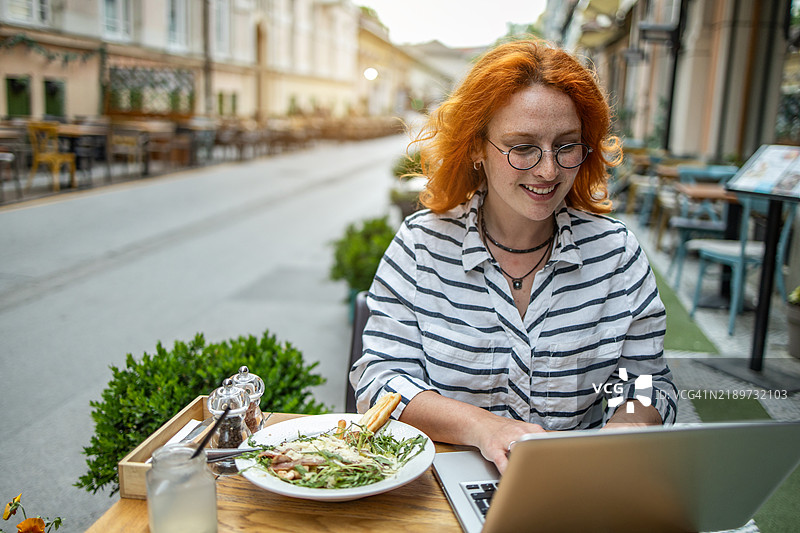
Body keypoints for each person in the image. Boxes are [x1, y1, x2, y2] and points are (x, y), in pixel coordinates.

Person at [350, 39, 678, 473]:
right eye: (522, 147)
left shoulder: (616, 255)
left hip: (574, 487)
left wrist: (623, 432)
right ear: (476, 148)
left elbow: (644, 384)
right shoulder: (421, 245)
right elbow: (380, 381)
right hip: (441, 491)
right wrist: (484, 428)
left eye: (566, 145)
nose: (547, 170)